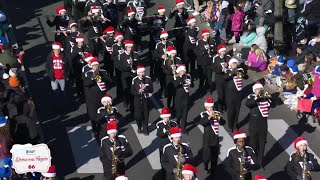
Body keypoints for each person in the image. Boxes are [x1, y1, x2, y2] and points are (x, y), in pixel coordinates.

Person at [83, 57, 112, 137]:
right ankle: (94, 128)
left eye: (97, 65)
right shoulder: (88, 73)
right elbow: (86, 83)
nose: (96, 67)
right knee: (93, 115)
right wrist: (93, 78)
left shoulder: (102, 72)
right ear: (91, 66)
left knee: (103, 113)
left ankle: (103, 128)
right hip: (92, 97)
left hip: (102, 97)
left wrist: (103, 75)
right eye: (94, 66)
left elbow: (110, 80)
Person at [246, 82, 272, 170]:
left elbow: (273, 104)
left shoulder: (265, 97)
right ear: (254, 90)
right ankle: (253, 162)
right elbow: (248, 104)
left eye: (260, 89)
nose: (259, 91)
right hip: (253, 125)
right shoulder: (251, 97)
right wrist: (256, 98)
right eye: (257, 89)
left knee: (262, 144)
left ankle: (260, 163)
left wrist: (269, 98)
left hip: (263, 125)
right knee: (253, 144)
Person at [199, 97, 222, 175]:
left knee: (214, 158)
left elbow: (223, 122)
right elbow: (203, 122)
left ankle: (213, 172)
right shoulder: (204, 114)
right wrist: (209, 117)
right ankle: (205, 166)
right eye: (209, 107)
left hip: (215, 139)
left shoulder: (217, 113)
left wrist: (219, 118)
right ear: (206, 107)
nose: (210, 108)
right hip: (207, 139)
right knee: (206, 157)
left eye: (211, 107)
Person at [118, 40, 140, 112]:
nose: (130, 49)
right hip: (125, 76)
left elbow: (139, 65)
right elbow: (120, 67)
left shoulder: (135, 55)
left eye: (131, 47)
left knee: (133, 91)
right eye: (128, 47)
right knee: (126, 90)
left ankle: (132, 106)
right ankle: (126, 102)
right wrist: (127, 66)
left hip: (133, 75)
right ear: (126, 47)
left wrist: (135, 68)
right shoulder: (121, 56)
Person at [131, 65, 153, 135]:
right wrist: (138, 91)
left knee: (146, 115)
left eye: (143, 72)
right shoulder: (135, 80)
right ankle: (139, 126)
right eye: (140, 72)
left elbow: (151, 89)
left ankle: (146, 130)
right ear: (138, 73)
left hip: (146, 100)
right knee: (138, 116)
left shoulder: (148, 79)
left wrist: (146, 89)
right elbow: (132, 91)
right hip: (137, 100)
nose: (142, 73)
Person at [225, 58, 246, 132]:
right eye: (233, 64)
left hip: (238, 94)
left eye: (235, 64)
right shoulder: (228, 71)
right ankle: (230, 125)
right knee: (231, 111)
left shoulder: (239, 70)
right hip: (230, 94)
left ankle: (235, 125)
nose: (234, 65)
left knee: (237, 110)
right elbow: (226, 77)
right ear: (230, 65)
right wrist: (234, 71)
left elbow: (246, 77)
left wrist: (243, 71)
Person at [153, 30, 174, 96]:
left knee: (168, 78)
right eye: (163, 39)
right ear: (161, 38)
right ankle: (163, 89)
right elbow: (155, 54)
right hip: (161, 64)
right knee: (162, 78)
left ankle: (167, 90)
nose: (165, 40)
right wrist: (161, 56)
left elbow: (174, 52)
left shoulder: (170, 43)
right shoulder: (158, 45)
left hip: (168, 64)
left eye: (166, 38)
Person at [174, 64, 192, 134]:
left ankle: (183, 128)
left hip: (186, 96)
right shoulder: (176, 76)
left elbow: (191, 84)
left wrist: (189, 82)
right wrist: (181, 80)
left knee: (185, 112)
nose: (182, 72)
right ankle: (177, 121)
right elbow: (175, 85)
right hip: (179, 97)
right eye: (181, 71)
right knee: (179, 113)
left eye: (183, 70)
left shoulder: (188, 76)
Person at [196, 29, 214, 94]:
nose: (207, 36)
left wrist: (211, 50)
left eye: (208, 34)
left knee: (209, 77)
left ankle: (209, 88)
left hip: (210, 62)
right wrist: (204, 51)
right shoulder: (199, 41)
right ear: (203, 35)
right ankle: (201, 88)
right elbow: (197, 51)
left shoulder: (211, 41)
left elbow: (214, 50)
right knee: (202, 76)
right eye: (206, 35)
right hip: (202, 62)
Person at [213, 44, 228, 112]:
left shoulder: (227, 57)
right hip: (219, 78)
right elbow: (214, 69)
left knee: (225, 93)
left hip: (226, 78)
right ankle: (220, 108)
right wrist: (221, 70)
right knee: (220, 93)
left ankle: (225, 105)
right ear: (219, 52)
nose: (223, 53)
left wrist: (227, 66)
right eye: (222, 51)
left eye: (224, 51)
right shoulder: (216, 58)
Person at [112, 32, 125, 99]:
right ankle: (119, 95)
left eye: (121, 38)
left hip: (124, 65)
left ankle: (124, 94)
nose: (120, 39)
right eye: (119, 38)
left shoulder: (124, 45)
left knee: (124, 80)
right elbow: (112, 57)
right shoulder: (114, 46)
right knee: (119, 80)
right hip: (118, 65)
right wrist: (119, 55)